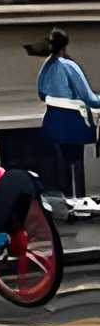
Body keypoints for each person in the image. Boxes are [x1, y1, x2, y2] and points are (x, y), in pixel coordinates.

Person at [36, 27, 99, 216]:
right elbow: (88, 98)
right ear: (65, 46)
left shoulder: (46, 66)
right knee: (78, 152)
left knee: (67, 156)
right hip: (74, 123)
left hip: (53, 122)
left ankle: (71, 197)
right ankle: (80, 199)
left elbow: (41, 94)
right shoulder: (68, 66)